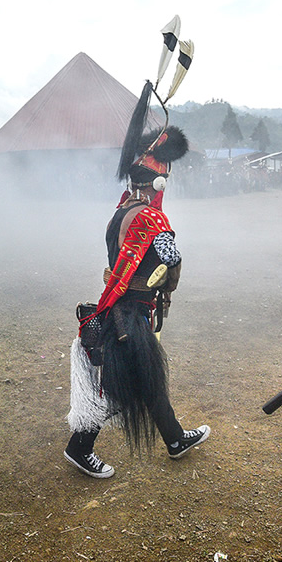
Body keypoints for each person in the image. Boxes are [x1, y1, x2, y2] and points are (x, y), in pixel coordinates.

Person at [65, 123, 209, 478]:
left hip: (124, 308)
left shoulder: (122, 210)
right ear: (158, 181)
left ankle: (175, 439)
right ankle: (79, 447)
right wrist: (168, 282)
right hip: (131, 312)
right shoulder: (150, 217)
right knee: (122, 387)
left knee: (149, 380)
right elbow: (171, 257)